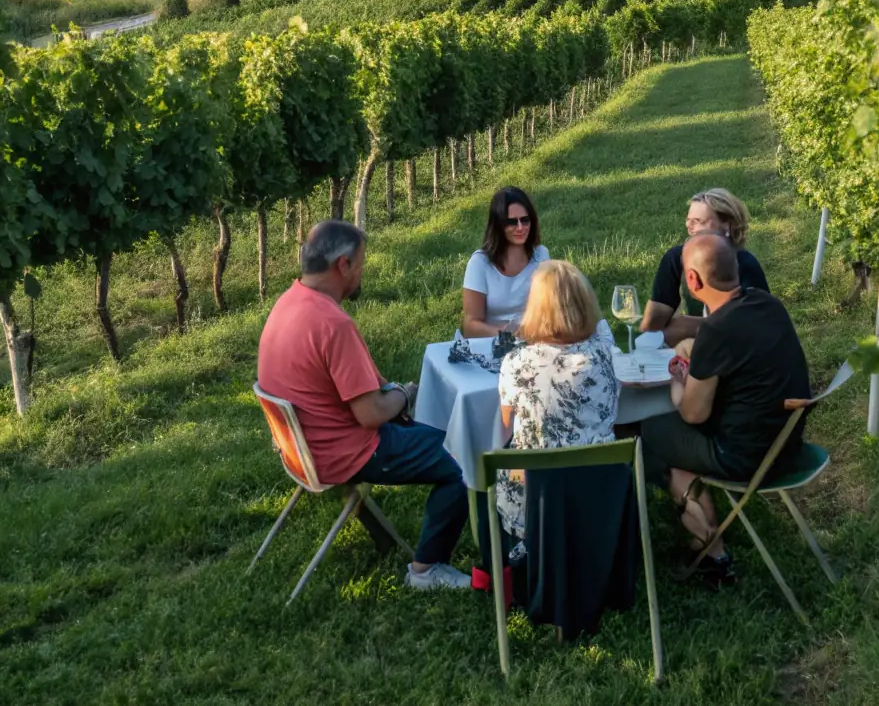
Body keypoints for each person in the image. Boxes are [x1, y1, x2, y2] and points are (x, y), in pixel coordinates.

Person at [257, 219, 472, 591]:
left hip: (301, 449)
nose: (361, 273)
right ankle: (426, 570)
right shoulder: (333, 324)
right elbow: (370, 414)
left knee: (429, 435)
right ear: (343, 265)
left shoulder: (289, 302)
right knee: (464, 457)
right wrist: (406, 394)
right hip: (347, 453)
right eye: (360, 265)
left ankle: (390, 541)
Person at [640, 234, 810, 585]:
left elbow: (692, 414)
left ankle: (708, 552)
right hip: (788, 444)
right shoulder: (767, 304)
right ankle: (707, 543)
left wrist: (678, 378)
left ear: (693, 281)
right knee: (671, 436)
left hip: (745, 457)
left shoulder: (718, 330)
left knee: (649, 432)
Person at [496, 260, 619, 553]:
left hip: (534, 495)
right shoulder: (605, 355)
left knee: (492, 461)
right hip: (598, 488)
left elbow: (504, 430)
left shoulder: (516, 363)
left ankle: (500, 557)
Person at [639, 188, 770, 347]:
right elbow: (651, 327)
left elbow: (752, 329)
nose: (689, 226)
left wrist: (686, 326)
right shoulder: (675, 259)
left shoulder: (745, 265)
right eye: (688, 220)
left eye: (698, 221)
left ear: (727, 225)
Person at [462, 186, 550, 337]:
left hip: (533, 340)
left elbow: (550, 309)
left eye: (525, 220)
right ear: (498, 225)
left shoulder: (541, 255)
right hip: (491, 343)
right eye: (512, 222)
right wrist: (506, 335)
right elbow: (470, 326)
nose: (521, 227)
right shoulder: (479, 264)